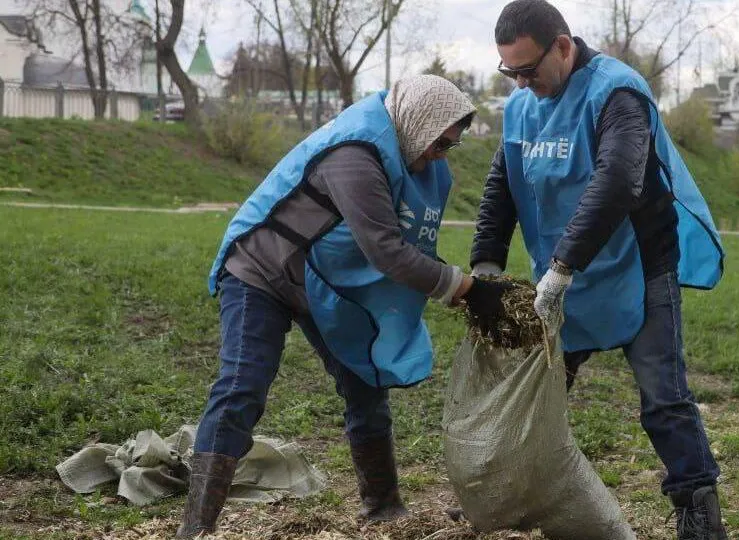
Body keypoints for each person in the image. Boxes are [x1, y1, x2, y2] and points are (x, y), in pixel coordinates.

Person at [177, 75, 513, 538]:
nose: (441, 155)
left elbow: (410, 244)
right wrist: (467, 289)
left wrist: (461, 285)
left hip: (322, 277)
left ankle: (384, 509)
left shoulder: (412, 157)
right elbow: (386, 250)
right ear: (416, 123)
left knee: (364, 383)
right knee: (242, 386)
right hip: (262, 271)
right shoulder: (355, 155)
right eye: (439, 143)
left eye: (450, 146)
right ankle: (196, 527)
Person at [469, 1, 728, 538]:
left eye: (528, 70)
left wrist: (564, 266)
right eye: (510, 73)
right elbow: (502, 186)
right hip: (560, 273)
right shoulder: (521, 106)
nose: (521, 83)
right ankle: (509, 492)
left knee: (664, 397)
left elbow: (617, 181)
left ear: (563, 47)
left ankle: (698, 513)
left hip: (637, 265)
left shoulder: (617, 93)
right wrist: (487, 262)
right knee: (535, 391)